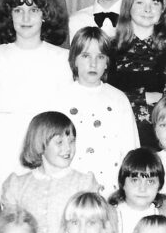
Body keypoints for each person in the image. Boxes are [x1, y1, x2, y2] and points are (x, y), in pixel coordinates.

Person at [0, 0, 72, 184]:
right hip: (5, 154)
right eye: (18, 10)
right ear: (9, 15)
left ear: (45, 15)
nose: (26, 18)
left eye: (34, 10)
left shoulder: (62, 58)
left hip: (47, 152)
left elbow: (65, 117)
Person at [1, 111, 98, 233]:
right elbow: (10, 232)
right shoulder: (17, 186)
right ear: (40, 144)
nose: (68, 148)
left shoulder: (83, 184)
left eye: (72, 141)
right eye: (59, 142)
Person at [106, 0, 166, 149]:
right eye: (140, 2)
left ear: (163, 9)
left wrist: (127, 98)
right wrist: (145, 97)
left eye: (155, 3)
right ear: (128, 7)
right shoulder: (107, 49)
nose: (148, 9)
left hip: (156, 143)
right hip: (113, 137)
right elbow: (102, 99)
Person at [57, 26, 139, 195]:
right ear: (74, 60)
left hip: (111, 188)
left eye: (100, 57)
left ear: (107, 62)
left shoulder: (118, 99)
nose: (93, 63)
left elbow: (131, 149)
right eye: (86, 56)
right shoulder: (60, 99)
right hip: (72, 189)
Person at [107, 147, 166, 233]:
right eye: (135, 180)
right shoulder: (112, 215)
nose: (142, 188)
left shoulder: (162, 215)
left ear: (159, 185)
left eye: (150, 182)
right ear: (123, 183)